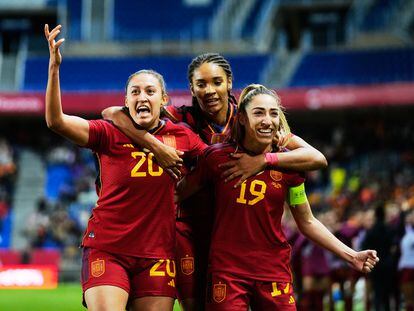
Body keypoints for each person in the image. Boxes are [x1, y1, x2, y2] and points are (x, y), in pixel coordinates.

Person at [102, 53, 328, 310]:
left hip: (233, 234)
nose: (209, 91)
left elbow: (316, 157)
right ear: (192, 88)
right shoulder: (180, 117)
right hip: (189, 228)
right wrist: (156, 146)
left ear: (229, 82)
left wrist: (264, 159)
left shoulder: (250, 119)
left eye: (216, 82)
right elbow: (113, 113)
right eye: (201, 84)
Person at [44, 24, 207, 311]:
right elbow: (57, 122)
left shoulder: (184, 137)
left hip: (158, 254)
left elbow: (215, 166)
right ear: (126, 101)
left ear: (164, 100)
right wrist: (54, 69)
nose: (142, 97)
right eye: (135, 92)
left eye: (150, 91)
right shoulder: (108, 133)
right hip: (108, 248)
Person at [177, 84, 379, 310]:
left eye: (274, 113)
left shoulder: (290, 166)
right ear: (242, 118)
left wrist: (351, 256)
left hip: (273, 271)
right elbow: (178, 194)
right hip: (227, 273)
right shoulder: (215, 158)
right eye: (259, 113)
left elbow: (307, 221)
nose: (267, 120)